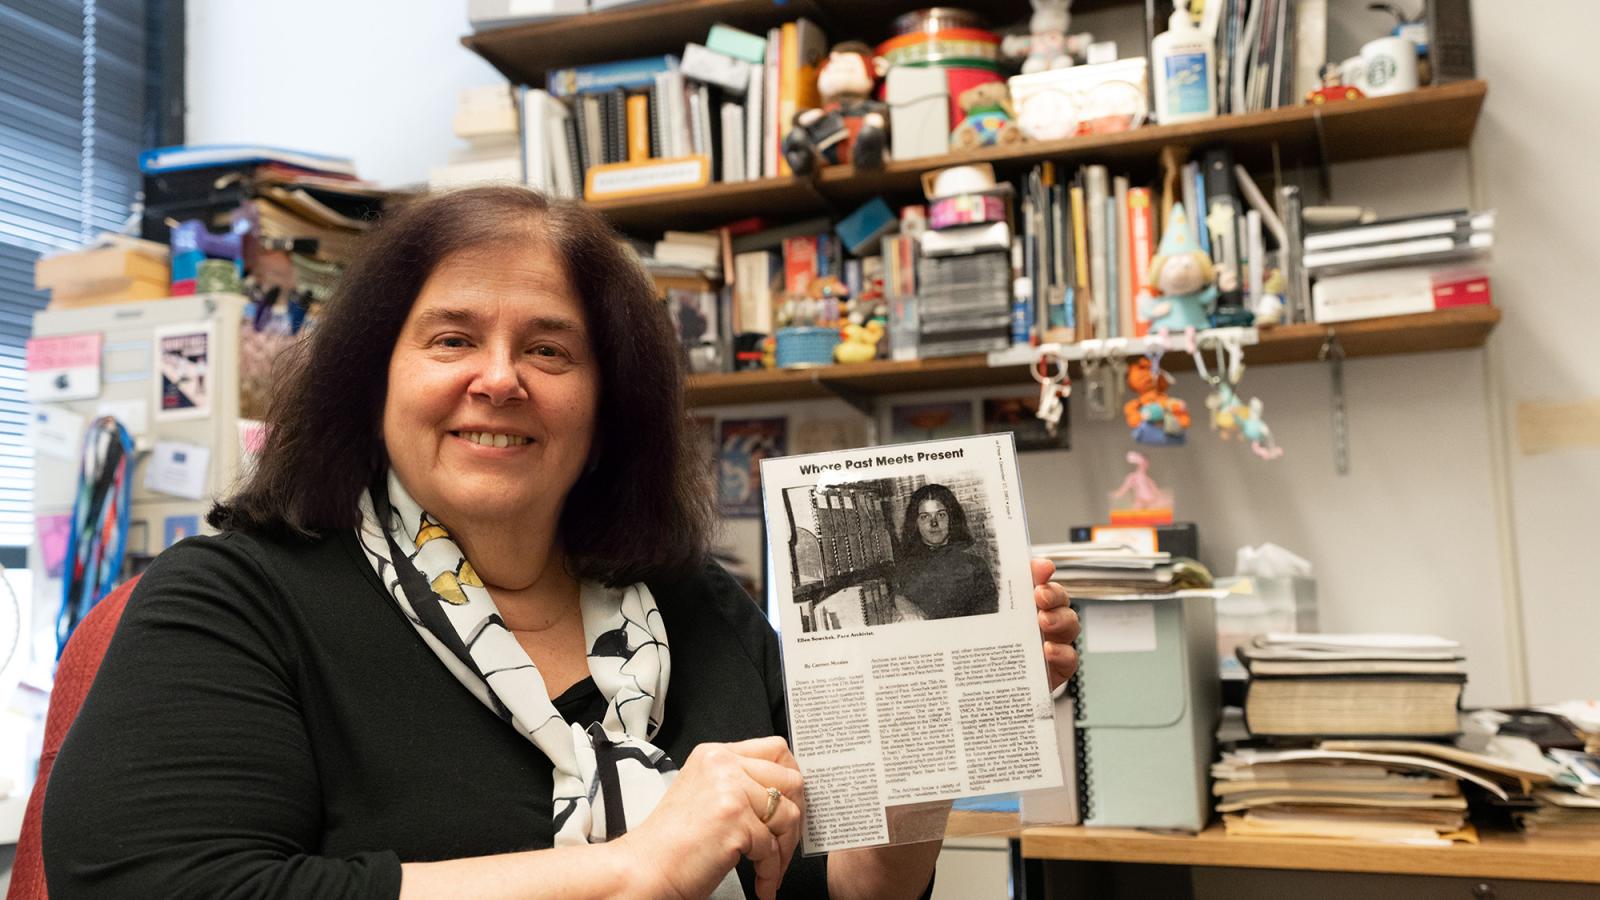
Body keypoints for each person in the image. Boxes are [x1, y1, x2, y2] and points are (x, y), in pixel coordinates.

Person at [41, 187, 1080, 900]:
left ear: (607, 404)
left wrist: (935, 712)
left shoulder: (705, 613)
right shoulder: (235, 600)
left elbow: (845, 889)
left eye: (549, 349)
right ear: (376, 375)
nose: (500, 379)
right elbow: (156, 887)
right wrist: (633, 867)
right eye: (452, 338)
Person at [894, 484, 1000, 621]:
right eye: (925, 516)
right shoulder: (906, 566)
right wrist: (898, 600)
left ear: (952, 519)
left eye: (941, 515)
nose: (934, 523)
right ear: (915, 523)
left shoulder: (975, 566)